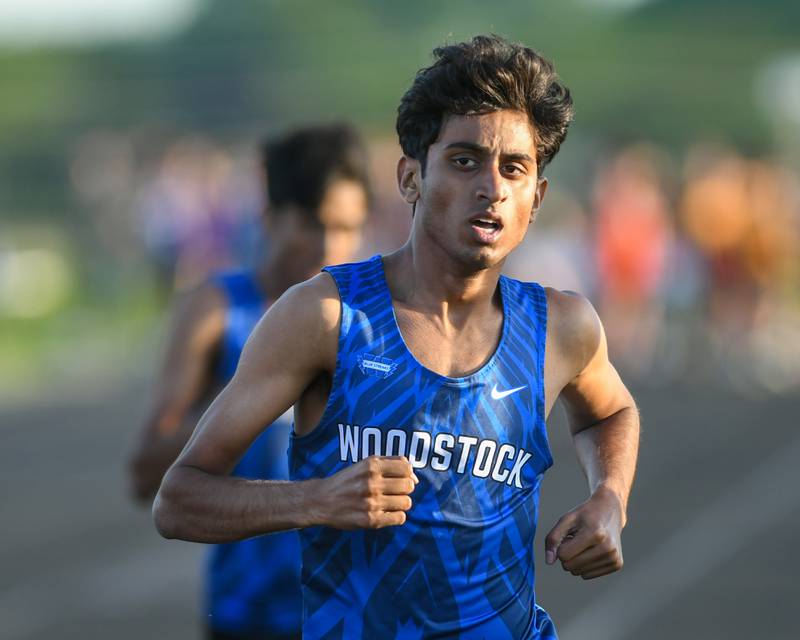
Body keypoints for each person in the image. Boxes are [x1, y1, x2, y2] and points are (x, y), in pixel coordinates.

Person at [154, 35, 640, 639]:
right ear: (410, 177)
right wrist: (315, 500)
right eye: (464, 161)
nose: (491, 188)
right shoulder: (328, 316)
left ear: (535, 198)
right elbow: (179, 500)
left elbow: (609, 411)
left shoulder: (562, 327)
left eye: (514, 168)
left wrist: (609, 499)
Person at [129, 124, 371, 640]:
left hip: (357, 611)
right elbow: (147, 471)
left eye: (348, 228)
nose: (331, 245)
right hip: (251, 613)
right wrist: (258, 397)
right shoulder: (220, 309)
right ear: (270, 217)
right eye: (313, 223)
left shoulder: (372, 318)